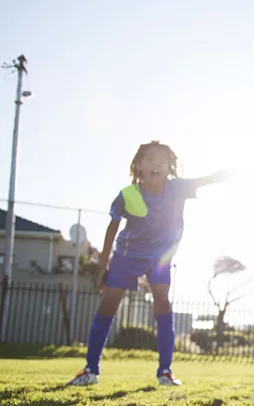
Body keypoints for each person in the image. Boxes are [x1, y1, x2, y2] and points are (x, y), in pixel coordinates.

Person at [68, 141, 231, 386]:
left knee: (163, 303)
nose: (156, 163)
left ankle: (165, 371)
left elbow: (206, 179)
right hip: (127, 255)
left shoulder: (178, 188)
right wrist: (104, 264)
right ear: (139, 166)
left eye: (162, 160)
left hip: (160, 257)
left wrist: (230, 173)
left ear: (169, 167)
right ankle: (91, 369)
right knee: (109, 305)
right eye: (150, 159)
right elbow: (112, 228)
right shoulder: (128, 194)